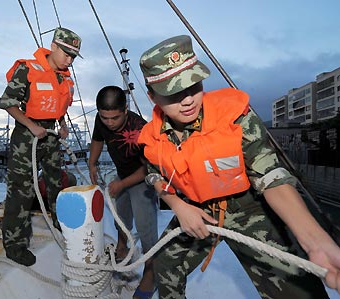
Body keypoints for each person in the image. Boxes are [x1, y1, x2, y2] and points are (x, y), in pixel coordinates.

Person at [137, 35, 340, 299]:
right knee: (165, 264)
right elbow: (153, 173)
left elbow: (270, 175)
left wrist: (315, 241)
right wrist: (178, 206)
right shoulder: (150, 136)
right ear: (152, 96)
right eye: (173, 93)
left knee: (296, 290)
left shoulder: (235, 118)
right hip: (198, 210)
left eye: (193, 86)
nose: (187, 100)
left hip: (250, 207)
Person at [0, 27, 82, 266]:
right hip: (27, 135)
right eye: (66, 53)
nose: (70, 59)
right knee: (21, 190)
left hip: (52, 134)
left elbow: (60, 105)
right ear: (54, 47)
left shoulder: (64, 77)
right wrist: (31, 126)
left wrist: (63, 124)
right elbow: (8, 104)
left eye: (73, 56)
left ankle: (59, 222)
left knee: (57, 181)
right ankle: (15, 245)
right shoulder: (28, 69)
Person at [88, 85, 158, 299]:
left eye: (115, 118)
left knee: (145, 227)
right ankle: (122, 245)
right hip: (122, 176)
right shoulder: (102, 120)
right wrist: (92, 163)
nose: (109, 123)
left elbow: (148, 168)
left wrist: (122, 183)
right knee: (121, 215)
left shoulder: (140, 129)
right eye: (105, 117)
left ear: (125, 110)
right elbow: (98, 139)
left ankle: (151, 271)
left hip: (142, 179)